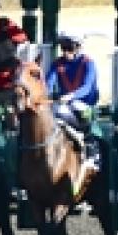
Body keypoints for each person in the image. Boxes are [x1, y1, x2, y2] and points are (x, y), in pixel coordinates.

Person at [45, 31, 101, 180]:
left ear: (77, 47)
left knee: (81, 112)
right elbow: (48, 85)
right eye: (63, 48)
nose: (65, 52)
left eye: (69, 48)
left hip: (85, 104)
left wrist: (71, 96)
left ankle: (91, 150)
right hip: (64, 105)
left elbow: (87, 88)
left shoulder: (88, 63)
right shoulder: (57, 64)